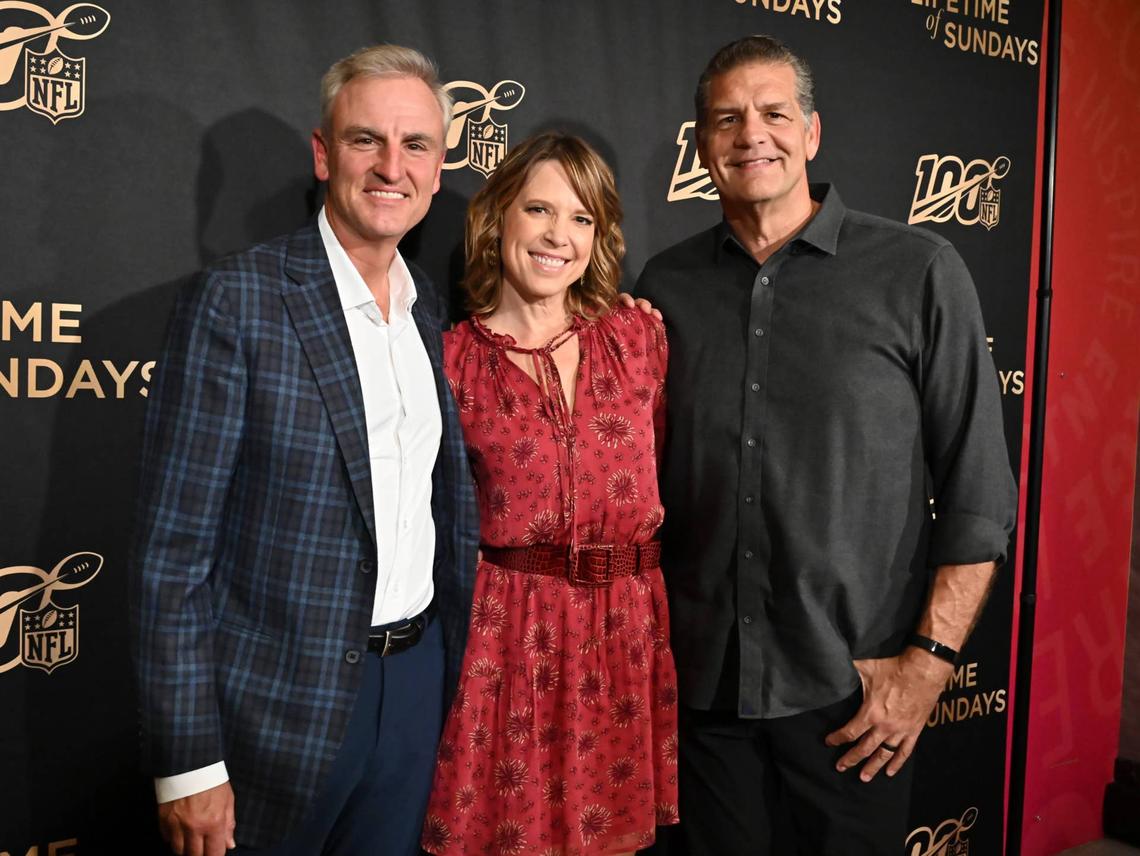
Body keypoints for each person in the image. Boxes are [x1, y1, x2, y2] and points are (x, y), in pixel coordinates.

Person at [634, 36, 1018, 855]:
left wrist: (928, 665)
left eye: (774, 114)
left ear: (811, 132)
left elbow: (980, 494)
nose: (752, 134)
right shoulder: (665, 287)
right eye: (728, 119)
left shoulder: (918, 270)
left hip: (856, 697)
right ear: (702, 145)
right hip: (704, 695)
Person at [129, 45, 480, 856]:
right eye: (366, 140)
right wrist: (187, 763)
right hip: (273, 709)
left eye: (416, 145)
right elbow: (171, 555)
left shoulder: (432, 311)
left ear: (437, 169)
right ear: (324, 155)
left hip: (415, 689)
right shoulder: (238, 301)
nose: (391, 166)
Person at [420, 132, 679, 856]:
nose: (558, 235)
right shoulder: (450, 363)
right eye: (539, 209)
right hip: (509, 640)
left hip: (624, 631)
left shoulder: (638, 336)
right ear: (497, 217)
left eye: (581, 217)